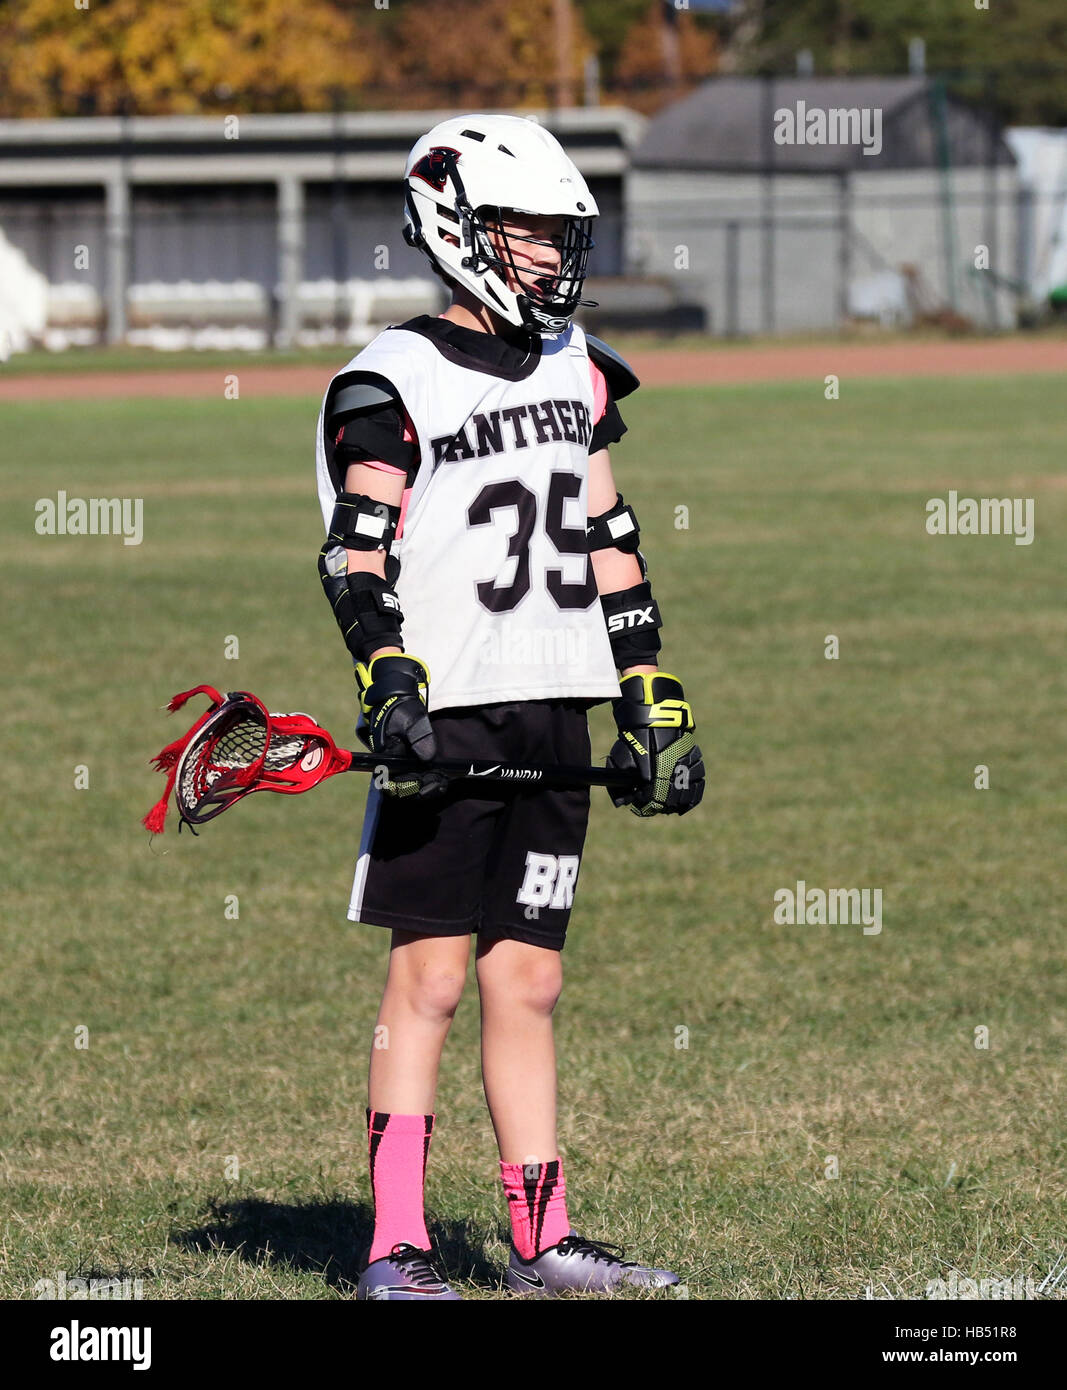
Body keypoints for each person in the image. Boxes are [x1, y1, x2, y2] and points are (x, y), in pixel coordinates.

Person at [313, 114, 705, 1300]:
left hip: (553, 711)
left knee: (526, 979)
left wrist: (648, 690)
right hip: (448, 719)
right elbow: (355, 552)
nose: (548, 252)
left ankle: (541, 1237)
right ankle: (394, 1244)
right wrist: (385, 676)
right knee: (427, 980)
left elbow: (607, 532)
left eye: (556, 232)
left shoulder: (576, 364)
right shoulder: (395, 375)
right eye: (527, 231)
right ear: (459, 228)